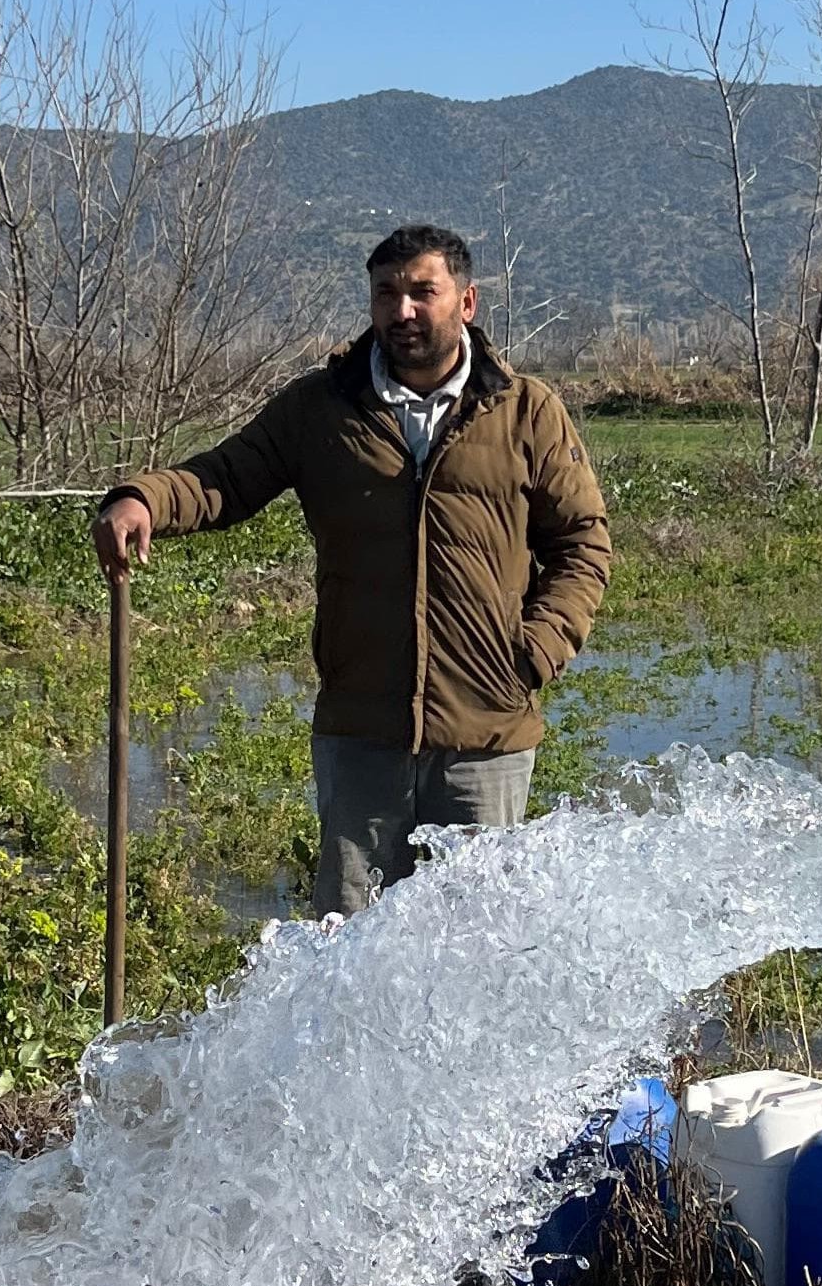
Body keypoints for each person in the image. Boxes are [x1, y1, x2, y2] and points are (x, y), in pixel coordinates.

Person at [93, 223, 612, 916]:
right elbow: (226, 476)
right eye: (385, 294)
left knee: (478, 949)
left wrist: (533, 651)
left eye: (422, 292)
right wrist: (142, 497)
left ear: (467, 301)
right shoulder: (323, 408)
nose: (402, 311)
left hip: (486, 734)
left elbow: (583, 542)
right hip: (362, 730)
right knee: (347, 948)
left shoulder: (525, 410)